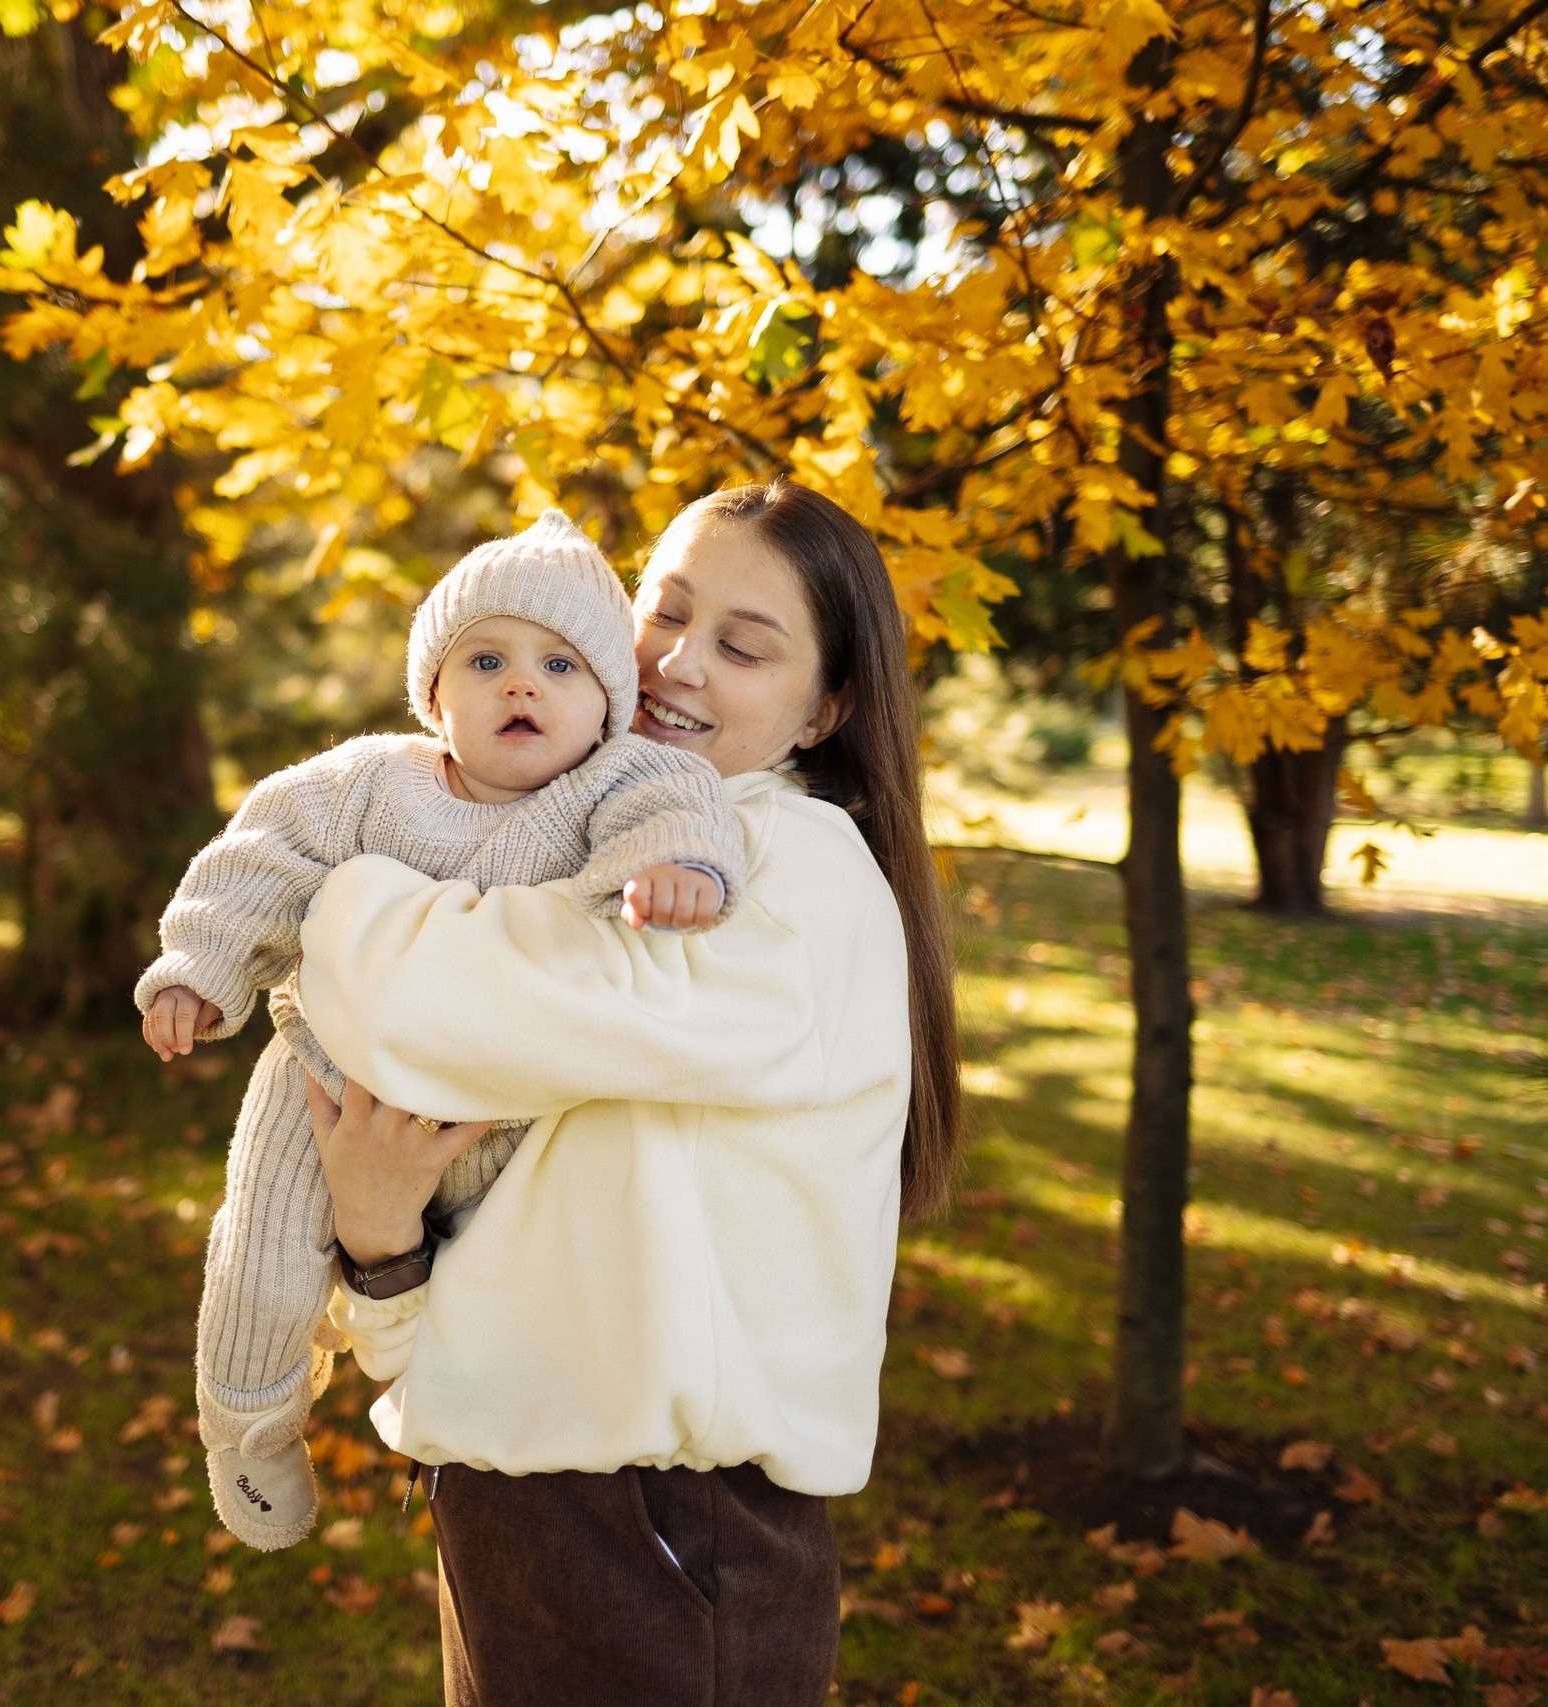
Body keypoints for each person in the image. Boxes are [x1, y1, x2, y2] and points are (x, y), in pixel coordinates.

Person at [294, 481, 961, 1705]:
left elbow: (411, 1004)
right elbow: (517, 1216)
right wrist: (380, 1250)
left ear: (827, 710)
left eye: (744, 647)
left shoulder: (780, 870)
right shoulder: (599, 844)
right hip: (517, 1519)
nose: (676, 666)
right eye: (663, 613)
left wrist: (337, 894)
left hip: (661, 1539)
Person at [134, 509, 749, 1550]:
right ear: (433, 696)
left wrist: (677, 869)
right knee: (264, 1255)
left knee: (493, 1273)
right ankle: (248, 1425)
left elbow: (677, 800)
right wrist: (197, 969)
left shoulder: (609, 781)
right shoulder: (372, 782)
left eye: (560, 664)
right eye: (486, 660)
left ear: (608, 703)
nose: (521, 684)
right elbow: (261, 854)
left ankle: (417, 1377)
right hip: (326, 1073)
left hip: (501, 1113)